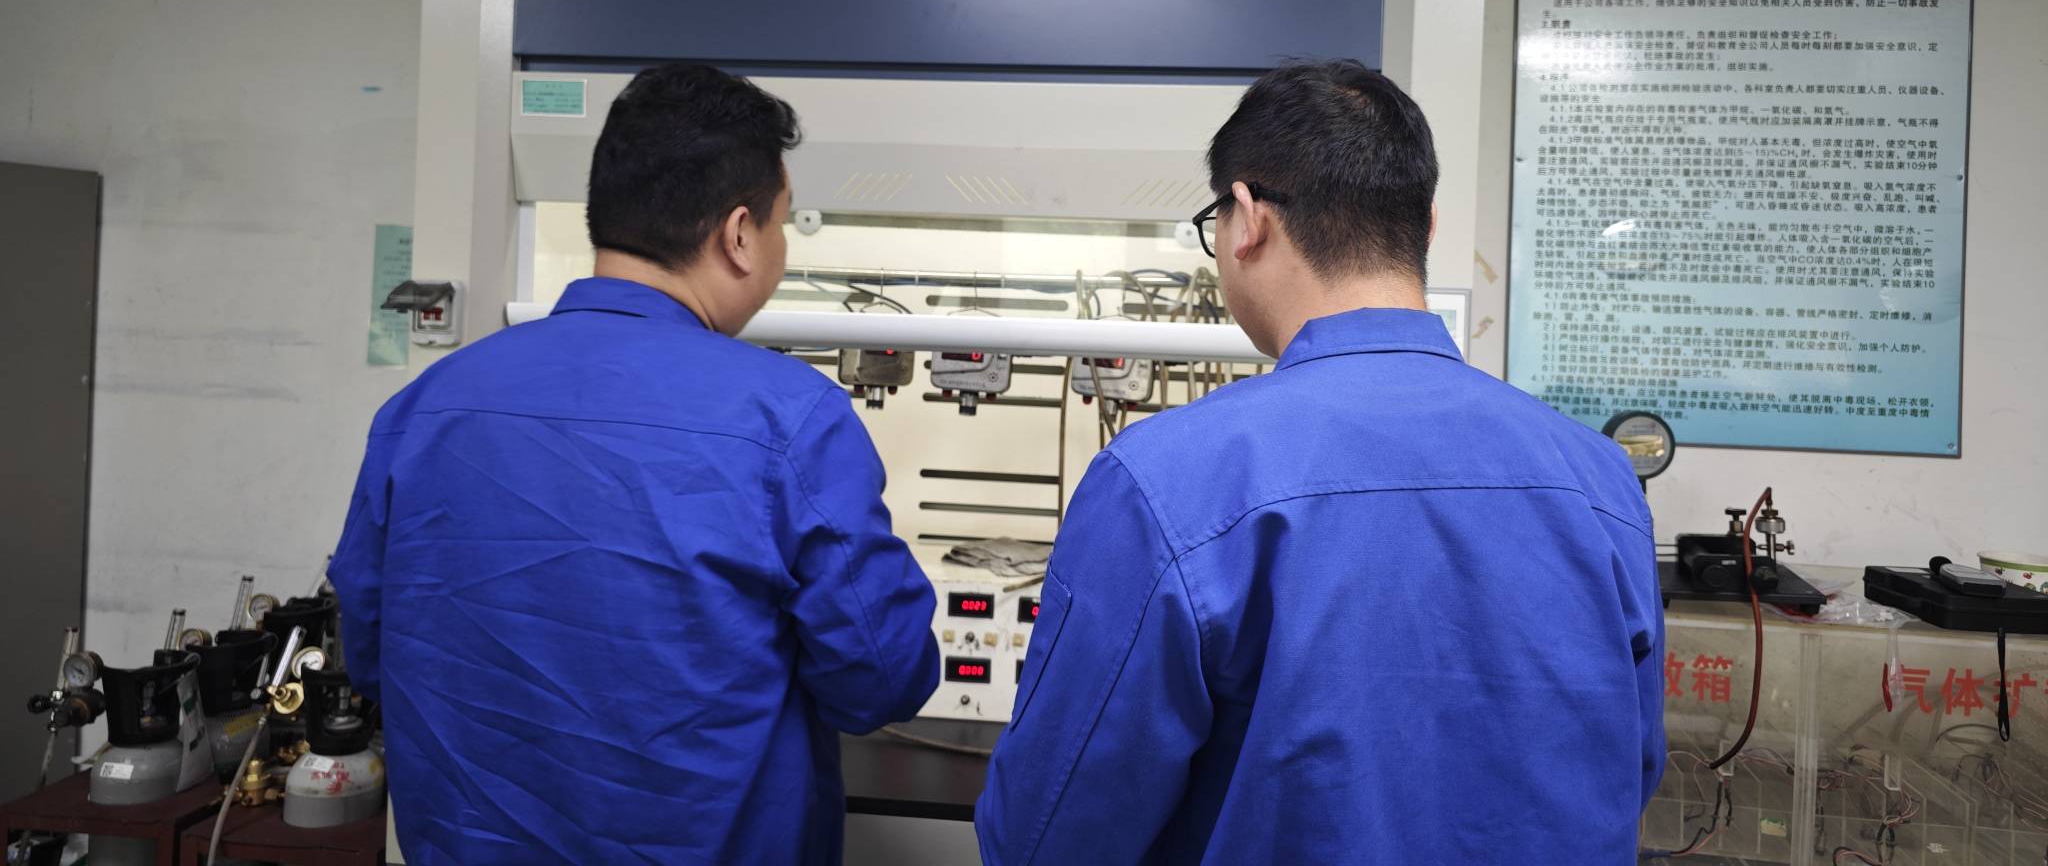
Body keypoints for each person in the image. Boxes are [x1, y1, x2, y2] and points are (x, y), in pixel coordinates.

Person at [976, 60, 1663, 864]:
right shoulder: (1600, 479)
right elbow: (1631, 766)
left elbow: (1048, 832)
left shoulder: (1164, 482)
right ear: (1426, 227)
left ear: (1246, 220)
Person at [330, 63, 939, 865]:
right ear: (739, 234)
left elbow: (372, 651)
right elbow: (881, 682)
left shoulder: (421, 410)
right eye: (784, 223)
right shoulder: (789, 421)